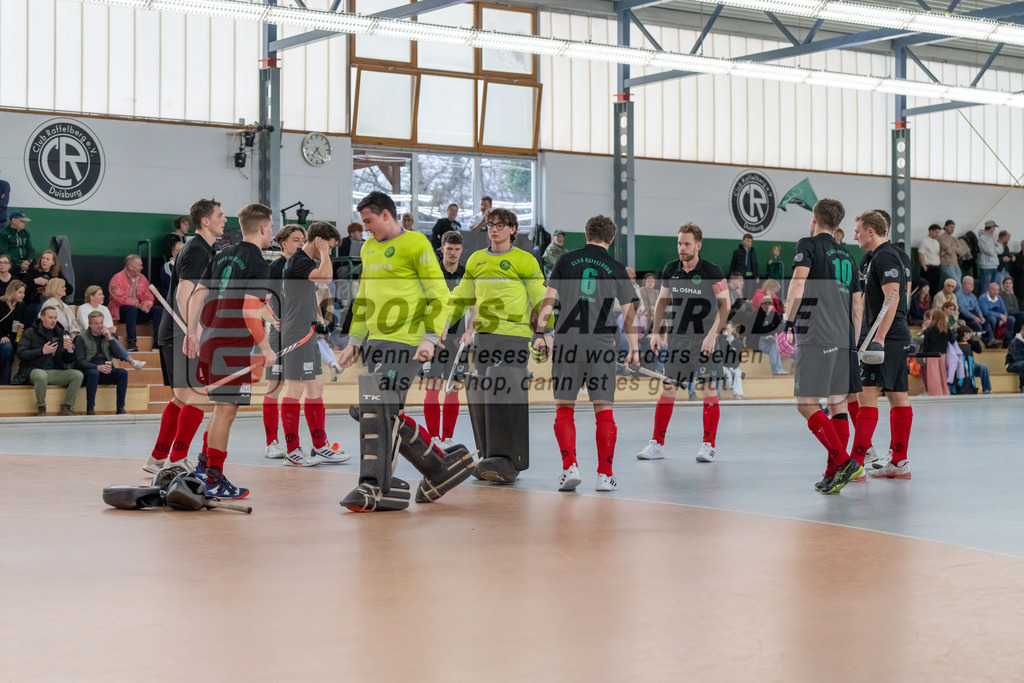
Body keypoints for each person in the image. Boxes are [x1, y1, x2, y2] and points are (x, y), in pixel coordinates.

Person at [338, 190, 475, 511]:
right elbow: (365, 297)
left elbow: (438, 293)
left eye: (369, 221)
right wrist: (355, 341)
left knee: (374, 405)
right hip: (377, 342)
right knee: (374, 410)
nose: (366, 228)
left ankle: (373, 485)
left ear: (386, 215)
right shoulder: (370, 248)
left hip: (409, 341)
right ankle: (438, 468)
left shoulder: (416, 244)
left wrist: (429, 336)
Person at [532, 215, 639, 492]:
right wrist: (634, 350)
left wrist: (540, 334)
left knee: (564, 407)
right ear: (611, 238)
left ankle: (569, 469)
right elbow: (629, 315)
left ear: (586, 233)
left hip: (568, 343)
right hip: (601, 346)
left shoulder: (565, 261)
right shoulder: (616, 267)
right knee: (603, 409)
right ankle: (605, 475)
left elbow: (548, 300)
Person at [445, 206, 547, 483]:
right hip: (485, 337)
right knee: (485, 397)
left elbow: (540, 297)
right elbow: (461, 297)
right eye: (491, 224)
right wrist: (442, 323)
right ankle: (491, 457)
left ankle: (510, 461)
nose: (495, 228)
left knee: (506, 396)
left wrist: (544, 331)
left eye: (501, 224)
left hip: (514, 336)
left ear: (512, 229)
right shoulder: (476, 259)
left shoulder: (525, 260)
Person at [185, 203, 277, 500]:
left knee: (219, 410)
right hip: (233, 345)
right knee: (226, 411)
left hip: (212, 339)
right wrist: (266, 349)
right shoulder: (259, 262)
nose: (272, 231)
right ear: (263, 227)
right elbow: (248, 310)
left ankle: (203, 468)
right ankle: (214, 480)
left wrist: (192, 330)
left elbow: (199, 293)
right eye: (272, 226)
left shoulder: (223, 254)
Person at [781, 198, 864, 494]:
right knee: (837, 403)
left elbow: (798, 283)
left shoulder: (809, 244)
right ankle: (833, 473)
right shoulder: (848, 256)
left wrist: (788, 322)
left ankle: (844, 462)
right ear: (839, 224)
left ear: (815, 217)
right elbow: (857, 304)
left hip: (816, 333)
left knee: (806, 404)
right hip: (844, 337)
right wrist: (852, 344)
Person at [636, 223, 730, 463]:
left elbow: (725, 306)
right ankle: (657, 444)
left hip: (704, 340)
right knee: (668, 388)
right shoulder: (670, 270)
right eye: (679, 243)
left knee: (708, 390)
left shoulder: (713, 271)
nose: (682, 248)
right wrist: (656, 332)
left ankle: (708, 445)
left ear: (698, 245)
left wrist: (712, 336)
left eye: (687, 244)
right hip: (678, 339)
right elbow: (661, 302)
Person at [144, 199, 223, 479]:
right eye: (220, 215)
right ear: (205, 221)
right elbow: (182, 293)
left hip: (175, 332)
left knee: (181, 398)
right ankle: (177, 459)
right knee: (198, 397)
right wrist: (193, 330)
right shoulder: (198, 250)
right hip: (181, 332)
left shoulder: (202, 249)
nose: (224, 220)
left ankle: (158, 458)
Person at [277, 221, 348, 467]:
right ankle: (292, 451)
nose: (329, 252)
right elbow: (326, 277)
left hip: (307, 335)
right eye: (329, 246)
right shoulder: (299, 261)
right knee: (294, 391)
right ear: (318, 240)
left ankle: (319, 447)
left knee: (316, 389)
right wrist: (325, 252)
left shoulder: (303, 263)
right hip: (296, 335)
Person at [851, 210, 914, 480]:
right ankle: (899, 463)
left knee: (865, 395)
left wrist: (878, 338)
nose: (855, 235)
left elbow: (894, 296)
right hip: (892, 336)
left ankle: (854, 465)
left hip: (887, 336)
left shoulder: (886, 256)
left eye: (858, 230)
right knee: (897, 395)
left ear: (870, 231)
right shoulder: (874, 258)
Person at [422, 231, 468, 448]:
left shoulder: (467, 274)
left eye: (457, 249)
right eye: (449, 248)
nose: (452, 253)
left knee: (453, 388)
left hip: (458, 339)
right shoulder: (432, 273)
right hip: (433, 337)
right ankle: (432, 438)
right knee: (433, 386)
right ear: (442, 249)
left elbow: (474, 305)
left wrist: (471, 332)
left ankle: (447, 438)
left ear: (461, 250)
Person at [262, 224, 305, 460]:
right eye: (296, 239)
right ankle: (272, 442)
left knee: (298, 388)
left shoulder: (305, 267)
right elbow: (260, 304)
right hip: (279, 336)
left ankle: (295, 444)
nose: (300, 243)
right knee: (275, 388)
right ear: (284, 243)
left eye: (303, 239)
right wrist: (275, 321)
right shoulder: (274, 268)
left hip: (300, 336)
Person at [14, 305, 83, 416]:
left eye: (55, 318)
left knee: (77, 375)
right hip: (32, 370)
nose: (53, 320)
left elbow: (67, 360)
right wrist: (42, 351)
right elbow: (21, 354)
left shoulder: (61, 333)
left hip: (54, 371)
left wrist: (70, 351)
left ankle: (67, 406)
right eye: (50, 317)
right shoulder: (30, 332)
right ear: (42, 317)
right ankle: (41, 408)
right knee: (41, 375)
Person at [74, 311, 135, 415]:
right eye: (96, 323)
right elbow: (79, 362)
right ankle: (90, 408)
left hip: (106, 371)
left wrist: (110, 338)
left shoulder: (108, 336)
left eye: (101, 323)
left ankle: (120, 408)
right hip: (88, 372)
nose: (100, 326)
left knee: (122, 373)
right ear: (90, 324)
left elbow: (118, 355)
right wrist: (97, 367)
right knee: (94, 373)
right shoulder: (81, 338)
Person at [109, 254, 162, 352]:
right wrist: (137, 304)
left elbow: (148, 296)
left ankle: (157, 345)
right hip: (121, 312)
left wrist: (146, 305)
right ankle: (132, 344)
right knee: (131, 309)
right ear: (130, 266)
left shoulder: (142, 278)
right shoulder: (117, 278)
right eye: (139, 265)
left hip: (138, 311)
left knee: (158, 310)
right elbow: (119, 298)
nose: (142, 268)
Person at [918, 309, 952, 396]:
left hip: (932, 355)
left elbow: (926, 344)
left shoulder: (929, 330)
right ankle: (945, 392)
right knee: (943, 375)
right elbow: (952, 340)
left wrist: (925, 356)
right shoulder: (946, 329)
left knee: (934, 376)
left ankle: (936, 393)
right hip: (943, 355)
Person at [0, 280, 27, 384]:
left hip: (14, 336)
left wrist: (22, 326)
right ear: (12, 291)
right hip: (2, 337)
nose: (23, 295)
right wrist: (1, 336)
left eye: (23, 293)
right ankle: (4, 383)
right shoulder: (1, 304)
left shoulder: (21, 306)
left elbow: (25, 322)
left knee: (24, 347)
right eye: (20, 292)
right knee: (7, 347)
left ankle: (21, 379)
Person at [24, 250, 63, 318]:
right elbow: (22, 285)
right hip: (33, 303)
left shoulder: (56, 275)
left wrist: (52, 284)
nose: (44, 261)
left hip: (52, 304)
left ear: (53, 262)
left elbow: (69, 289)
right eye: (43, 258)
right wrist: (34, 281)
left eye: (47, 259)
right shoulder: (33, 271)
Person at [978, 280, 1017, 347]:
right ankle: (991, 340)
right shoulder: (983, 298)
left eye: (997, 290)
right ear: (989, 290)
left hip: (999, 317)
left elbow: (1003, 310)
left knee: (1011, 319)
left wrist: (1004, 317)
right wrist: (1000, 315)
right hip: (987, 318)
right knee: (992, 319)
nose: (996, 292)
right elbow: (986, 312)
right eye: (994, 290)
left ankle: (1008, 342)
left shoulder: (999, 298)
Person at [956, 325, 991, 394]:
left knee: (984, 367)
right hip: (961, 365)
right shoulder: (957, 341)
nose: (970, 335)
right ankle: (971, 387)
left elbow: (979, 351)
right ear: (964, 334)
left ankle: (986, 390)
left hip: (971, 364)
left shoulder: (970, 342)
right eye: (969, 333)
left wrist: (976, 341)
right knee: (971, 367)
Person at [956, 275, 991, 344]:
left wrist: (981, 316)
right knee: (976, 324)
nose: (972, 285)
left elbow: (977, 307)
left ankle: (991, 340)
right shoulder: (958, 295)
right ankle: (985, 342)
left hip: (973, 314)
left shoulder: (973, 296)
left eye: (972, 284)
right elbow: (963, 310)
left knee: (987, 321)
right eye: (969, 283)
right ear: (963, 284)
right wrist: (974, 317)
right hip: (964, 316)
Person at [0, 210, 37, 274]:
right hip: (13, 263)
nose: (24, 223)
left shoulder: (25, 233)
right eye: (22, 221)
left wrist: (28, 261)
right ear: (14, 220)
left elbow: (31, 249)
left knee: (36, 266)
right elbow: (5, 252)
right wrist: (19, 263)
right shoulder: (4, 234)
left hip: (26, 262)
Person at [460, 195, 492, 265]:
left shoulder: (495, 218)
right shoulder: (476, 218)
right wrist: (483, 221)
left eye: (485, 205)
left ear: (490, 206)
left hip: (491, 249)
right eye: (481, 205)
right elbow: (472, 232)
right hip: (476, 248)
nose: (483, 207)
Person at [937, 219, 968, 284]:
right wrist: (954, 248)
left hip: (955, 263)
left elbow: (961, 251)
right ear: (945, 227)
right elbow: (948, 249)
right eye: (951, 227)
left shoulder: (954, 238)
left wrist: (952, 248)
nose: (952, 229)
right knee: (957, 284)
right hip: (947, 264)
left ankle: (953, 294)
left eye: (953, 227)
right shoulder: (941, 237)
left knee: (958, 282)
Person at [729, 233, 760, 298]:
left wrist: (757, 275)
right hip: (740, 276)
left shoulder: (752, 252)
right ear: (743, 240)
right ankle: (738, 304)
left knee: (748, 292)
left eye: (750, 241)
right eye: (747, 241)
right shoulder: (737, 252)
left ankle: (746, 305)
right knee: (739, 291)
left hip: (751, 276)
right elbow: (733, 264)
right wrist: (732, 275)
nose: (748, 243)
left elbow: (755, 264)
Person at [719, 322, 743, 399]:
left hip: (733, 366)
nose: (726, 330)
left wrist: (732, 367)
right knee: (727, 373)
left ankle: (740, 394)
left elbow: (738, 358)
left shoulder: (737, 341)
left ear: (732, 329)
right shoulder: (720, 340)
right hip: (723, 366)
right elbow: (720, 354)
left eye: (728, 329)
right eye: (724, 329)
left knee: (738, 373)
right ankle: (736, 394)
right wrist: (723, 338)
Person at [918, 224, 942, 294]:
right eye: (936, 232)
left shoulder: (937, 243)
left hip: (936, 268)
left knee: (935, 288)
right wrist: (925, 267)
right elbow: (921, 255)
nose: (937, 234)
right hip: (928, 267)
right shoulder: (924, 241)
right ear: (931, 231)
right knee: (926, 289)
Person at [978, 220, 1001, 291]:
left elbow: (1000, 250)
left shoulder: (993, 238)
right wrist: (995, 247)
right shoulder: (982, 238)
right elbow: (989, 251)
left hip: (994, 265)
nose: (994, 229)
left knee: (993, 289)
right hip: (986, 266)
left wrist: (994, 247)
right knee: (985, 288)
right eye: (994, 227)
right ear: (990, 227)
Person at [1005, 328, 1024, 392]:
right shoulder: (1014, 342)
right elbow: (1016, 358)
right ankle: (1022, 386)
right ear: (1021, 331)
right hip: (1011, 364)